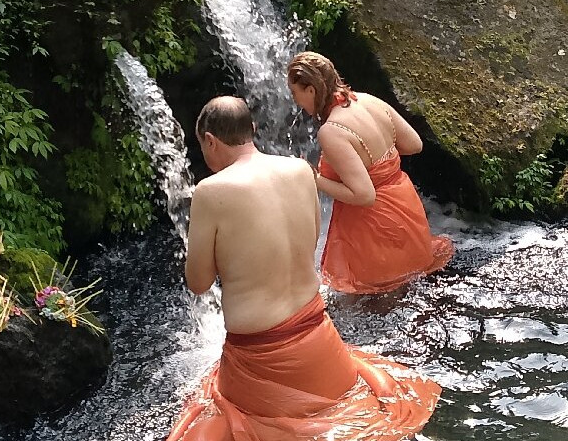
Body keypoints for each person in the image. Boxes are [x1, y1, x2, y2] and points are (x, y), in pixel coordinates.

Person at [166, 95, 440, 441]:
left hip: (259, 360)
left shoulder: (210, 191)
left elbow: (200, 283)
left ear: (210, 140)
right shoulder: (298, 170)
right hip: (320, 342)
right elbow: (309, 240)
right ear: (252, 129)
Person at [287, 52, 454, 295]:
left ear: (311, 90)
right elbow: (414, 144)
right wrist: (380, 163)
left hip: (375, 230)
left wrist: (315, 179)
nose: (296, 101)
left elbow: (365, 195)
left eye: (295, 93)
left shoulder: (332, 131)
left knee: (381, 306)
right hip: (407, 210)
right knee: (415, 293)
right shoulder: (368, 100)